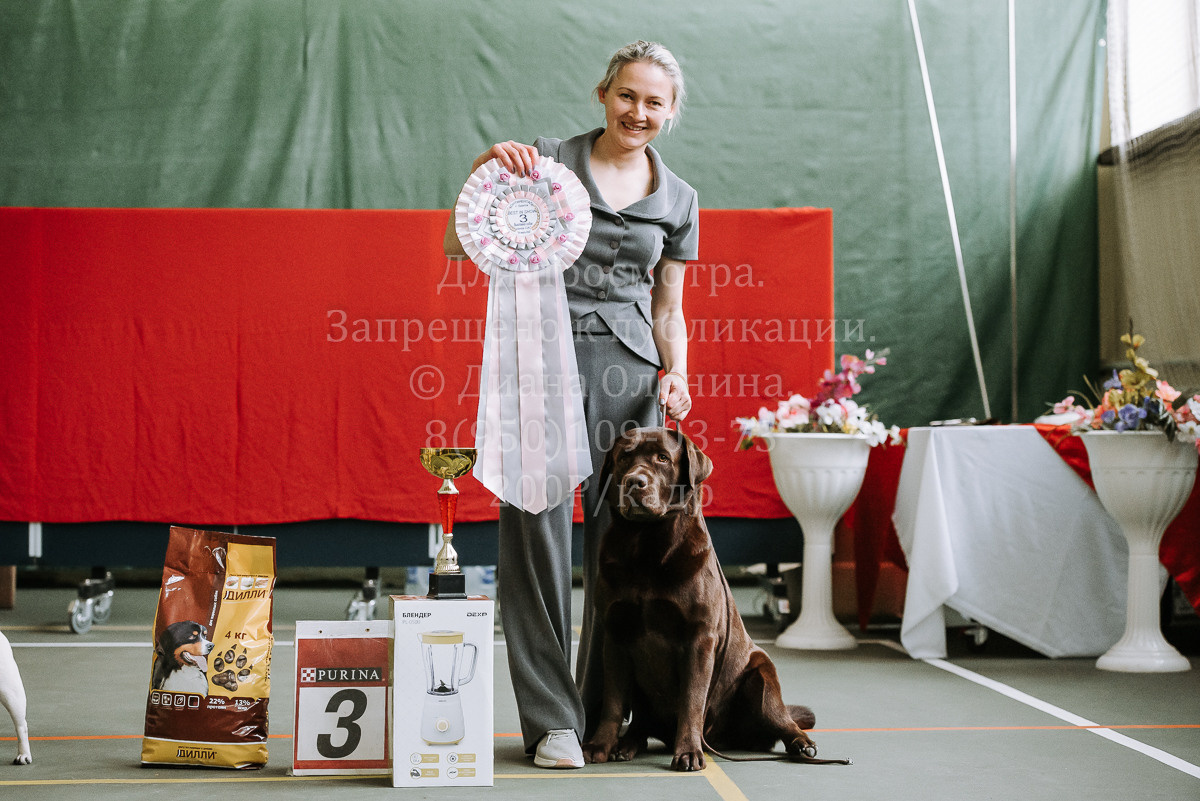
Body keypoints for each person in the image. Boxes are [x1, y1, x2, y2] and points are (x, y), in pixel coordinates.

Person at [443, 40, 698, 769]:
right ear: (603, 93)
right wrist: (481, 171)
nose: (638, 112)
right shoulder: (546, 160)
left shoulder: (679, 199)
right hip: (541, 362)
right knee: (535, 534)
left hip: (633, 378)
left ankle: (604, 716)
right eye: (627, 95)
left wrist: (676, 371)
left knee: (623, 548)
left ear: (670, 112)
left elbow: (670, 305)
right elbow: (460, 243)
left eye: (654, 102)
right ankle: (551, 719)